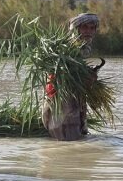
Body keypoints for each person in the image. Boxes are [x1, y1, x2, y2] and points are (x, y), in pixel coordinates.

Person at [42, 12, 100, 141]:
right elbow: (61, 78)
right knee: (66, 143)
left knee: (75, 140)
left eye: (92, 28)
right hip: (62, 105)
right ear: (76, 28)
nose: (88, 32)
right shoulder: (66, 49)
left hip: (74, 104)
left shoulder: (83, 49)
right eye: (84, 27)